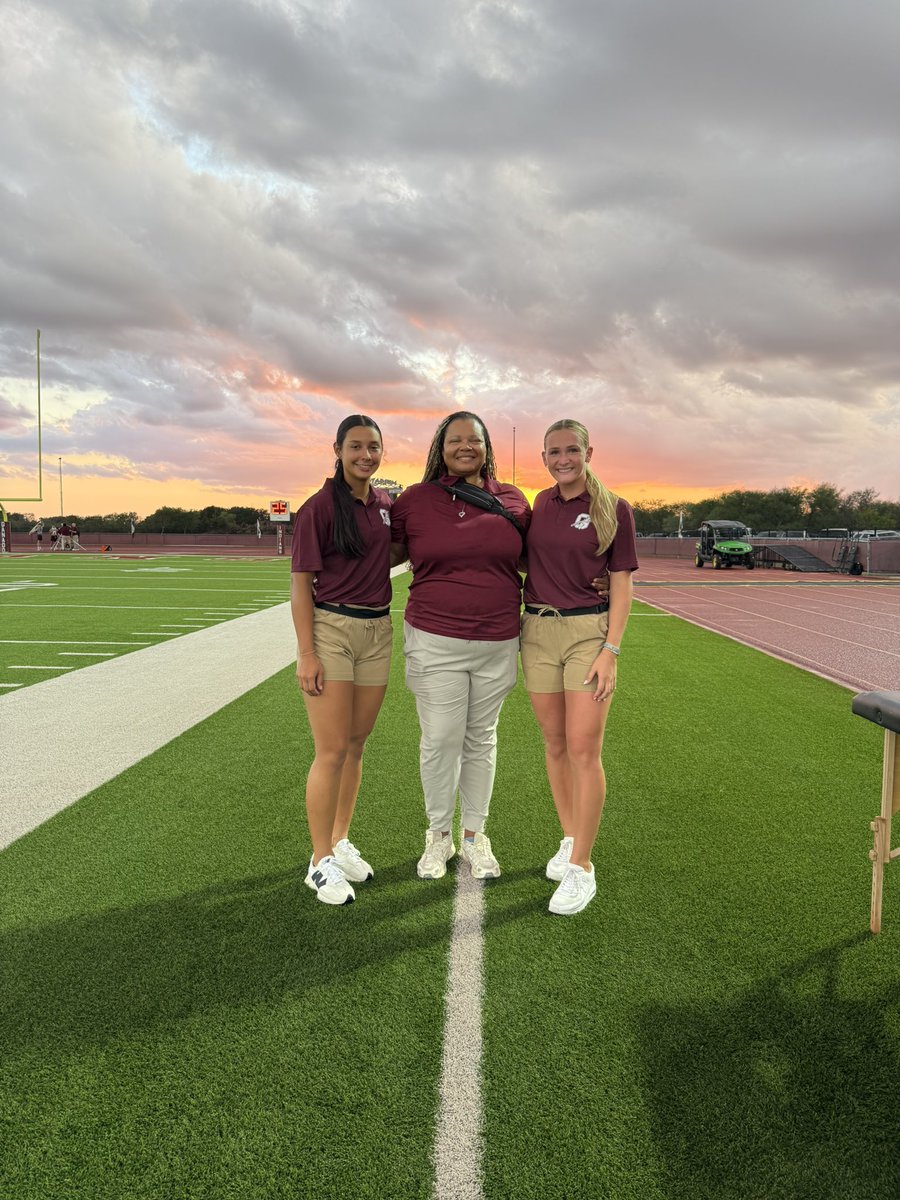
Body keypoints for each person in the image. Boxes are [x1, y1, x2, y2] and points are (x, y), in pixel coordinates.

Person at [391, 411, 530, 881]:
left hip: (497, 639)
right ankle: (437, 835)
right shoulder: (414, 500)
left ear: (487, 447)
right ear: (440, 447)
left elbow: (542, 556)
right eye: (455, 440)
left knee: (481, 738)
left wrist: (601, 581)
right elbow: (377, 554)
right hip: (435, 638)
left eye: (475, 440)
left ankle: (474, 833)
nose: (465, 446)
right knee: (441, 739)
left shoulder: (512, 498)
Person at [521, 419, 638, 916]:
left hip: (588, 635)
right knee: (555, 744)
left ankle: (583, 867)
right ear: (543, 457)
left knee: (585, 750)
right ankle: (569, 840)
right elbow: (525, 563)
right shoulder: (539, 505)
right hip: (537, 632)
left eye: (571, 450)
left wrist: (611, 649)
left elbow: (622, 583)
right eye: (553, 452)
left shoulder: (614, 508)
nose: (562, 459)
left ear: (589, 452)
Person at [291, 415, 395, 907]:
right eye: (356, 446)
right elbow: (299, 587)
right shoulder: (317, 508)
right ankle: (318, 861)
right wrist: (307, 652)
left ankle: (338, 839)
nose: (365, 455)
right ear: (337, 449)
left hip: (378, 630)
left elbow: (394, 553)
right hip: (332, 629)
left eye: (373, 447)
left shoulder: (384, 505)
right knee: (330, 750)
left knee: (356, 745)